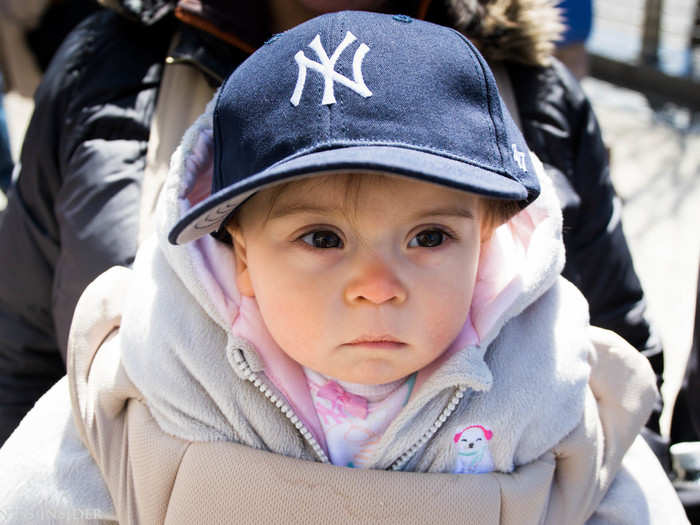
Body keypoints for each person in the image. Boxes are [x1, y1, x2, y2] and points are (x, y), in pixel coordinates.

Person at [0, 12, 686, 523]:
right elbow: (39, 485)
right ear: (240, 254)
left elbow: (621, 490)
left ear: (490, 235)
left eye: (429, 236)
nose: (378, 286)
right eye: (323, 238)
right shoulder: (166, 359)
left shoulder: (539, 374)